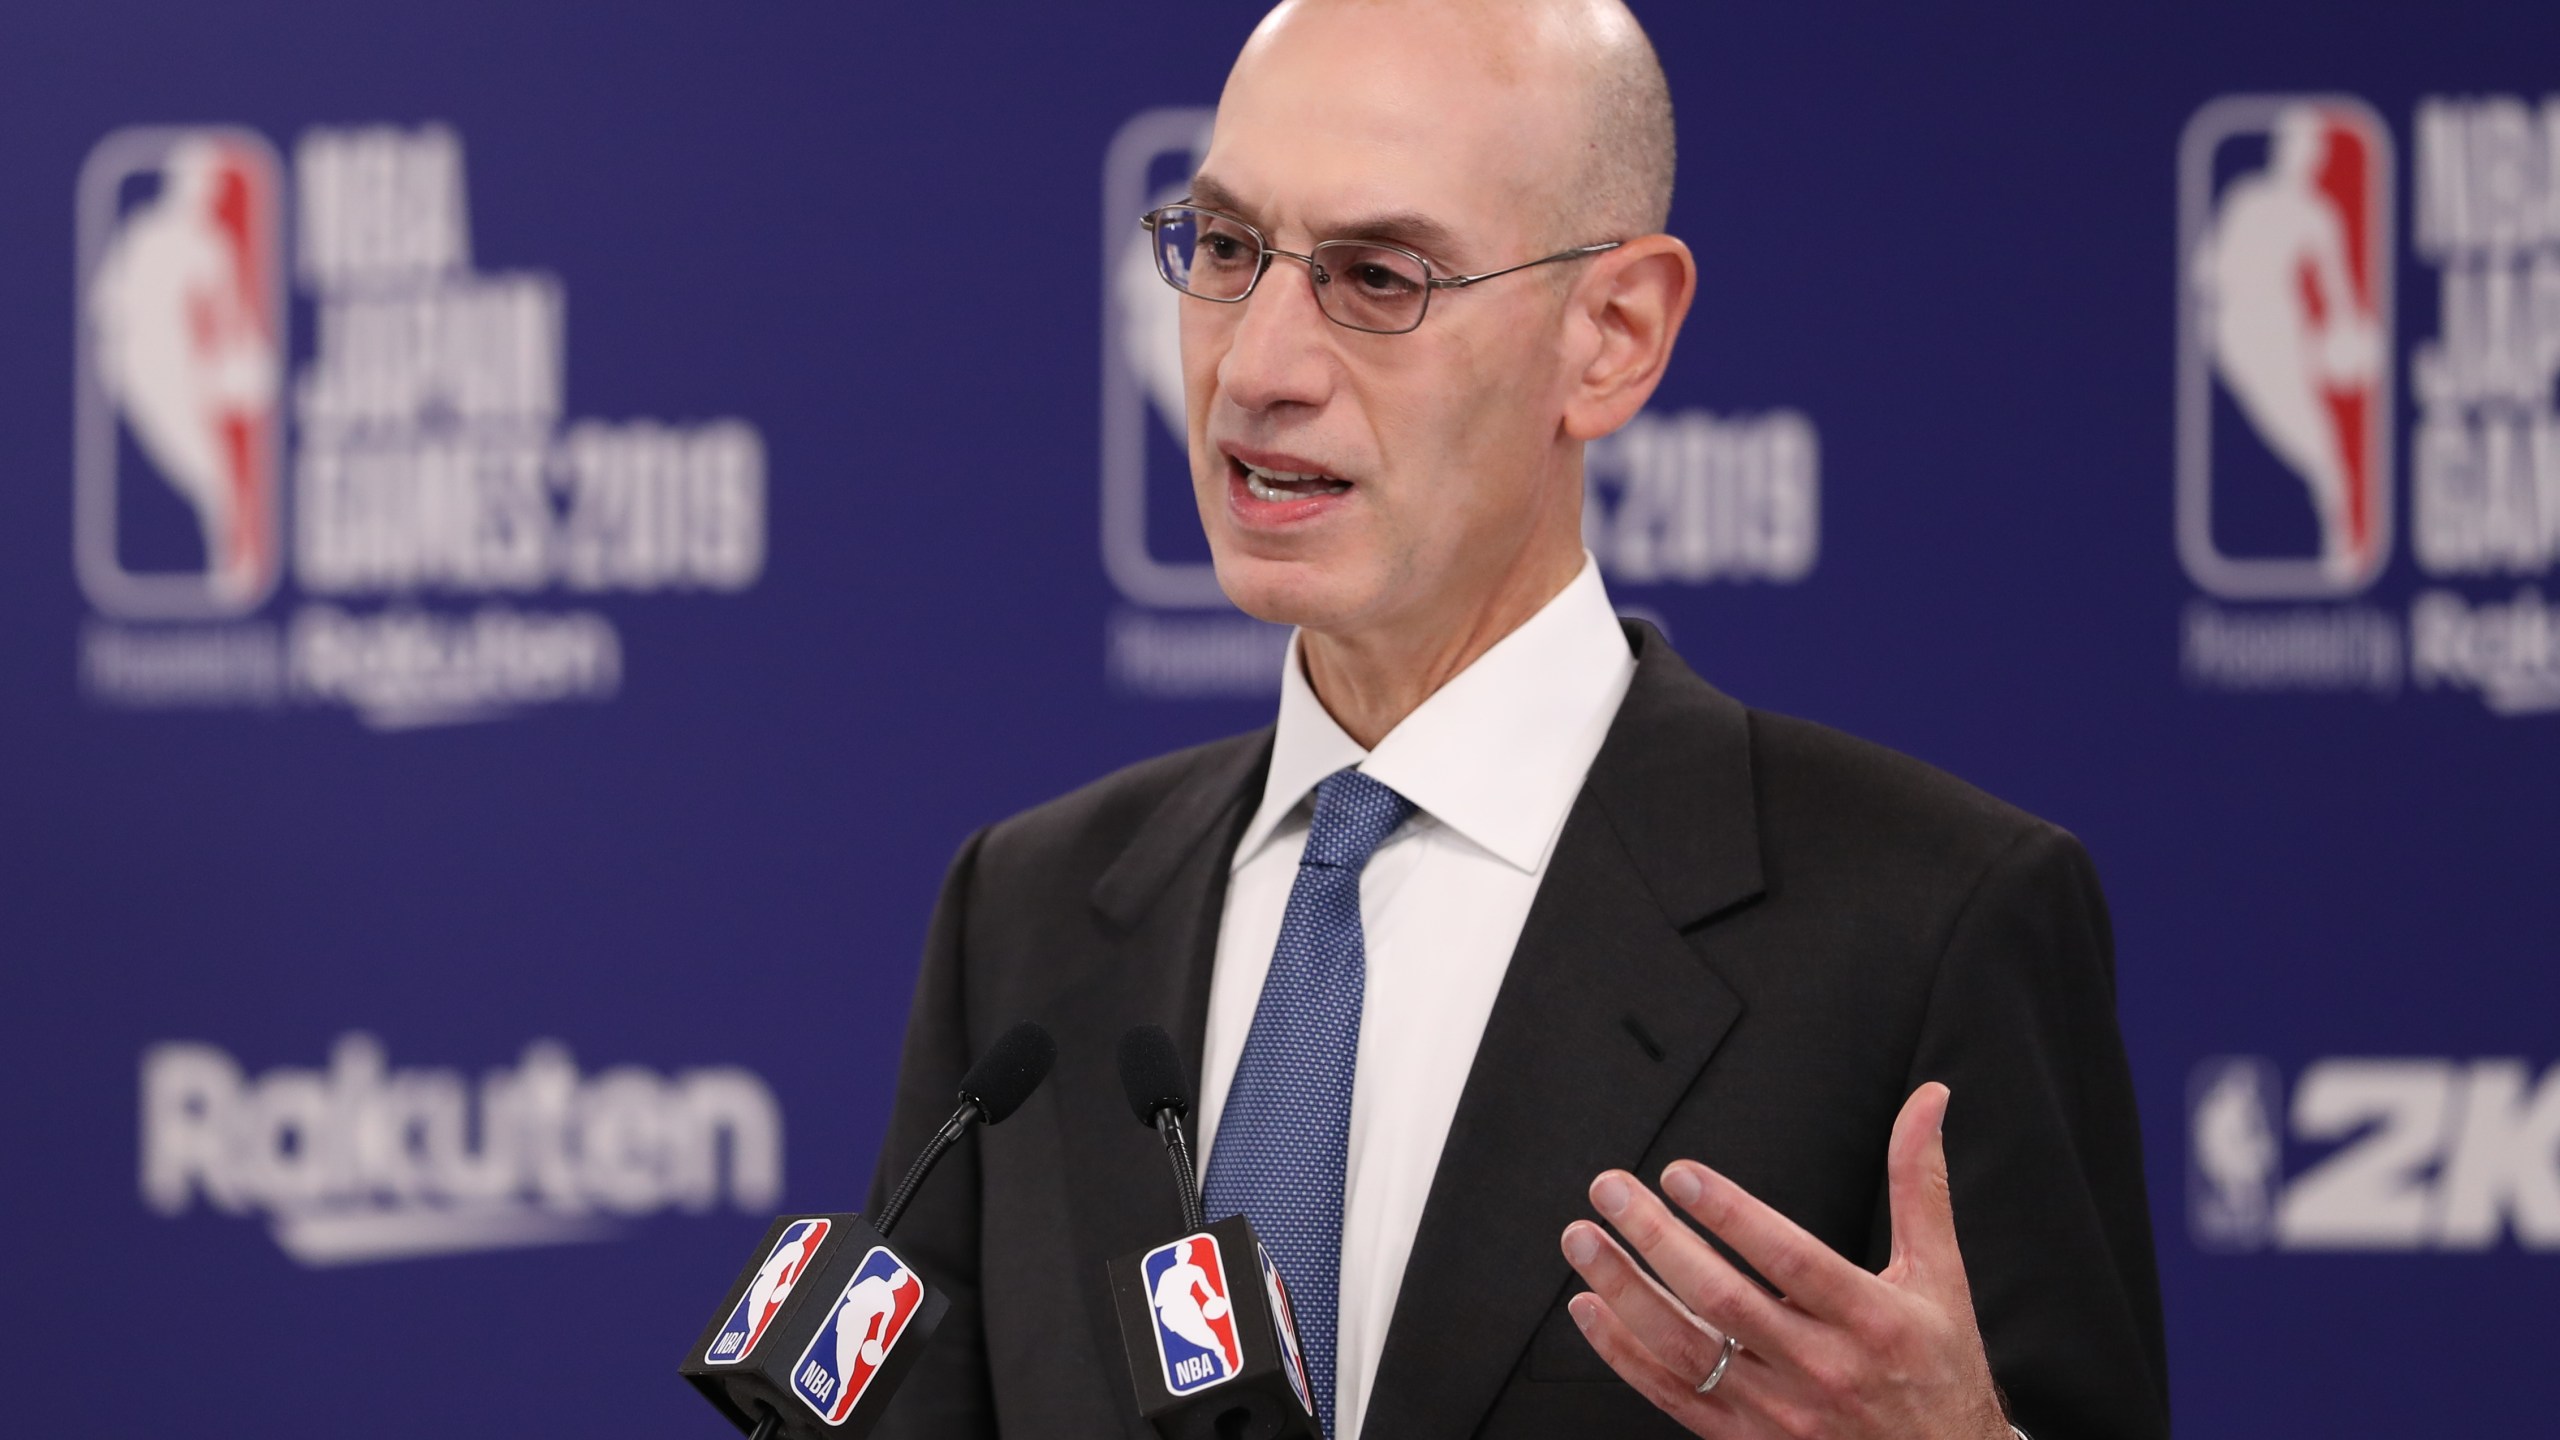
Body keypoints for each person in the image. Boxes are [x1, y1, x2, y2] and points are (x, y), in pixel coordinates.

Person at [867, 2, 2168, 1437]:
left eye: (1378, 277)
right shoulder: (1028, 916)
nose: (1255, 369)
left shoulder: (1923, 927)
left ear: (1612, 335)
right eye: (1228, 253)